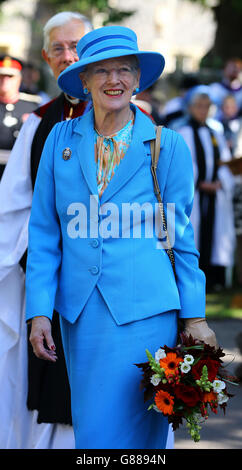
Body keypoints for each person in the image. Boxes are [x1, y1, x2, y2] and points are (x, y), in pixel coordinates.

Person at [26, 25, 218, 450]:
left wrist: (196, 315)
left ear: (137, 79)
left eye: (125, 70)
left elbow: (179, 240)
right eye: (103, 71)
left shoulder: (166, 147)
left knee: (141, 442)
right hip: (82, 316)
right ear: (84, 80)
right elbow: (43, 232)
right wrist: (39, 310)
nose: (115, 80)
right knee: (94, 436)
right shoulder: (59, 140)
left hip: (148, 315)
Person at [0, 11, 93, 449]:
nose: (69, 55)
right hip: (52, 278)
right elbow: (13, 208)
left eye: (77, 45)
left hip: (115, 277)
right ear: (46, 56)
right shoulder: (39, 123)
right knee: (53, 384)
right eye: (59, 48)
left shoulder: (135, 120)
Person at [177, 85, 235, 291]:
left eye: (207, 106)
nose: (203, 110)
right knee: (195, 233)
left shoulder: (215, 131)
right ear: (190, 107)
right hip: (195, 193)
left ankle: (214, 278)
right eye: (199, 106)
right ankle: (194, 277)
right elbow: (181, 165)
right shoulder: (183, 132)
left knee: (215, 233)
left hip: (215, 194)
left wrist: (220, 182)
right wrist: (200, 182)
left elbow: (224, 162)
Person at [0, 55, 41, 179]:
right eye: (1, 76)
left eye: (10, 76)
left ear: (19, 79)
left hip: (20, 175)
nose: (5, 80)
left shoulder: (33, 106)